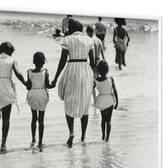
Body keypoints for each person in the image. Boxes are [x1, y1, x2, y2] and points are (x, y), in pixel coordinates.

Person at [51, 19, 96, 147]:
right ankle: (83, 136)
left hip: (72, 68)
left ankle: (71, 132)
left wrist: (55, 79)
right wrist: (94, 79)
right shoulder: (89, 40)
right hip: (86, 71)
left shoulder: (67, 40)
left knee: (69, 101)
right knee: (84, 103)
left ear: (71, 29)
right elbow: (93, 63)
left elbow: (62, 61)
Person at [26, 52, 53, 152]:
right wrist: (53, 83)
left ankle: (33, 139)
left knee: (34, 118)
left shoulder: (29, 71)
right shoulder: (45, 72)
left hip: (32, 94)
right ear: (43, 62)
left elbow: (28, 87)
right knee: (41, 120)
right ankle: (40, 141)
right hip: (42, 94)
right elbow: (48, 85)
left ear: (34, 61)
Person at [93, 60, 118, 142]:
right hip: (109, 100)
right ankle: (107, 138)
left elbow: (91, 89)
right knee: (109, 120)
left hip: (101, 100)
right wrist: (117, 101)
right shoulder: (111, 79)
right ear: (107, 70)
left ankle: (103, 135)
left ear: (99, 71)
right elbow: (115, 90)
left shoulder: (96, 80)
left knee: (103, 119)